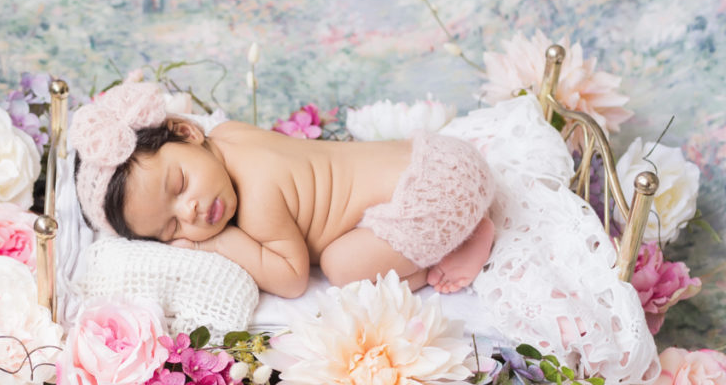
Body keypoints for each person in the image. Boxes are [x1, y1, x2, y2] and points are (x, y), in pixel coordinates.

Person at [73, 82, 495, 298]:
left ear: (186, 131)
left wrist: (211, 245)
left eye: (180, 186)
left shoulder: (257, 195)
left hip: (437, 193)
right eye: (170, 228)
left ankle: (454, 248)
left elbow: (293, 279)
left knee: (341, 267)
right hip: (436, 154)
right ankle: (458, 227)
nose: (192, 213)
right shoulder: (228, 134)